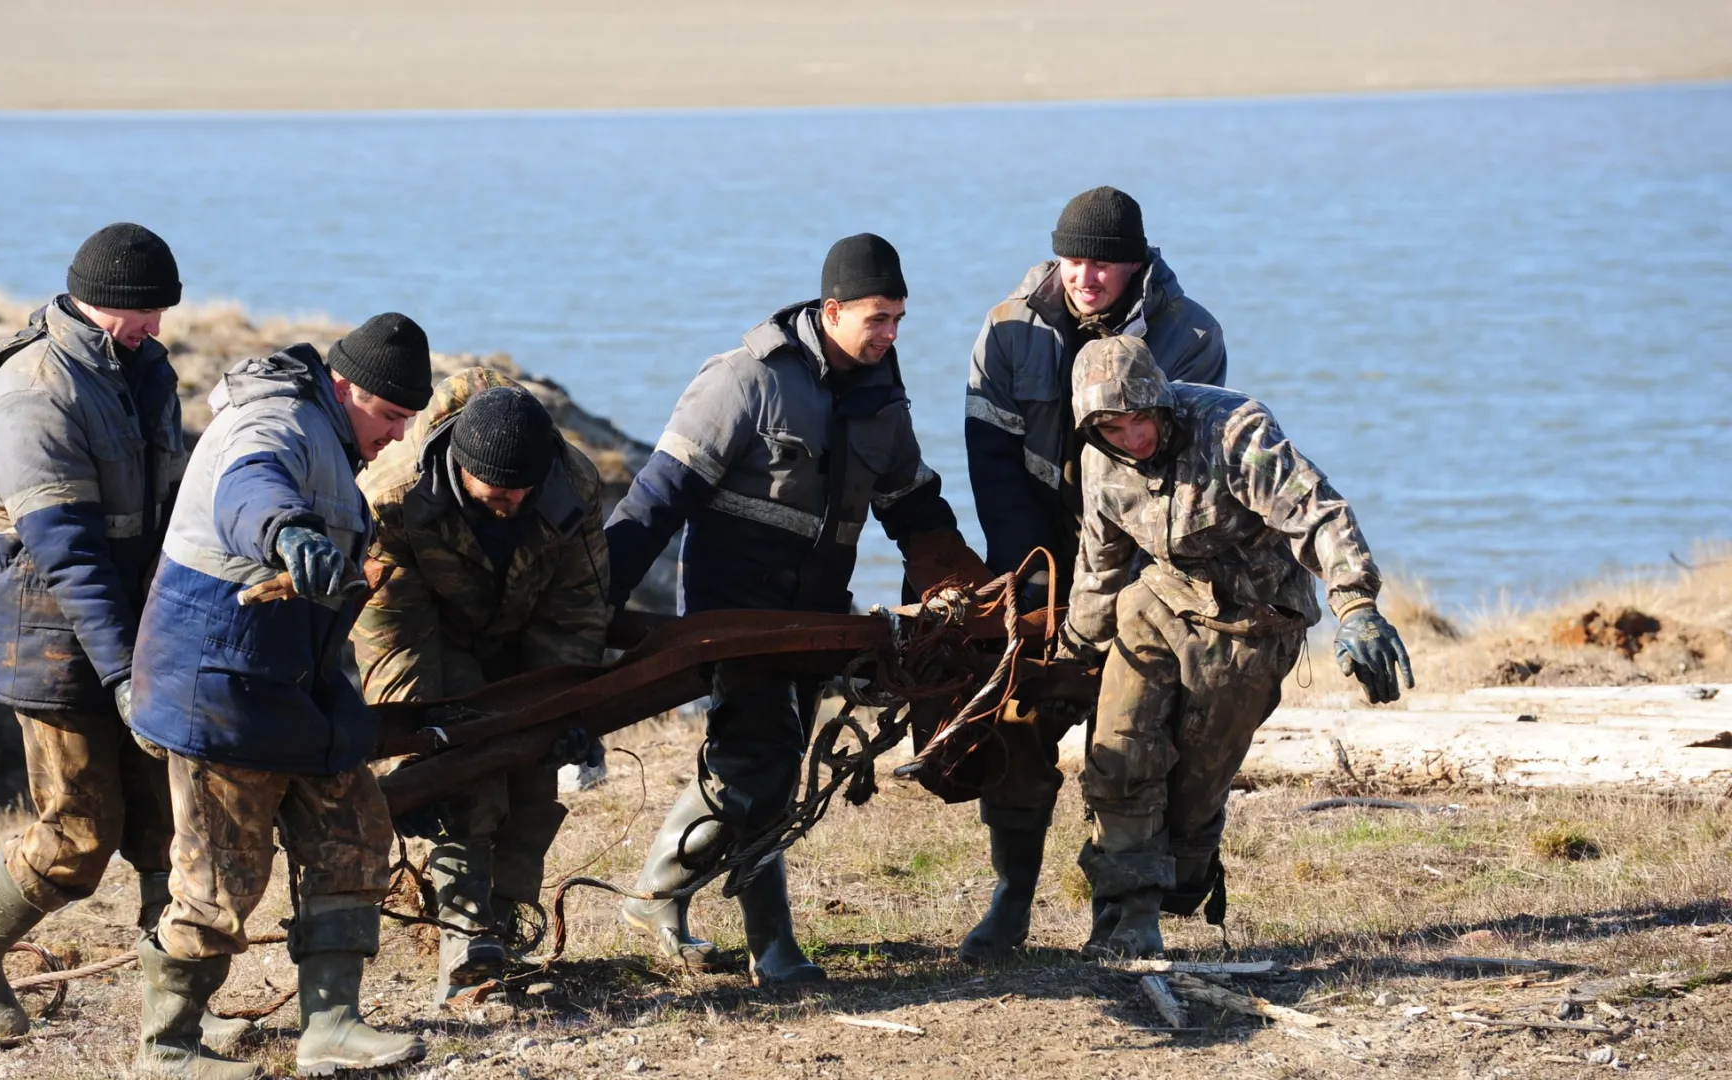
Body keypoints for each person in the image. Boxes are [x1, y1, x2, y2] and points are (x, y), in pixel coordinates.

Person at [603, 233, 988, 988]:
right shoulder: (744, 381)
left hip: (814, 621)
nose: (891, 336)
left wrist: (961, 585)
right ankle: (772, 947)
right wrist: (593, 611)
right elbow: (653, 504)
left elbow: (913, 508)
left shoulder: (883, 402)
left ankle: (655, 896)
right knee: (766, 766)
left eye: (899, 321)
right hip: (731, 616)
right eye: (878, 319)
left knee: (750, 767)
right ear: (833, 309)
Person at [0, 224, 253, 1047]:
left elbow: (169, 505)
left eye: (158, 313)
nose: (151, 328)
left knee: (165, 830)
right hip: (49, 639)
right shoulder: (35, 389)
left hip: (135, 629)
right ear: (87, 299)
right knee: (76, 836)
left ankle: (173, 1019)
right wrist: (121, 675)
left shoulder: (142, 368)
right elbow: (67, 555)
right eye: (135, 313)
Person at [126, 314, 435, 1078]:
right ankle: (166, 1049)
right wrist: (286, 532)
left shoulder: (327, 435)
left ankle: (331, 1026)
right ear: (342, 387)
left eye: (406, 420)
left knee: (354, 835)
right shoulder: (275, 423)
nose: (396, 437)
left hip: (293, 685)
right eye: (390, 416)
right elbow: (249, 486)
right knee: (218, 885)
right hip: (221, 689)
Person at [1058, 335, 1412, 957]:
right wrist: (1071, 656)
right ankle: (1126, 913)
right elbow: (1101, 567)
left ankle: (1176, 886)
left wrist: (1356, 606)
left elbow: (1318, 513)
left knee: (1194, 782)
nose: (1132, 437)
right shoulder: (1101, 461)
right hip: (1160, 602)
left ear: (1162, 406)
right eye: (1114, 426)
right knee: (1120, 751)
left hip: (1255, 623)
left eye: (1142, 419)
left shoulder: (1233, 431)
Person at [956, 187, 1230, 962]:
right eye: (1074, 260)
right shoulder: (1009, 328)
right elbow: (992, 463)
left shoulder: (1191, 334)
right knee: (1018, 719)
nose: (1087, 277)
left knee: (1138, 735)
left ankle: (1132, 905)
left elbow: (1181, 469)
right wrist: (1032, 576)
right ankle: (1011, 896)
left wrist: (1129, 590)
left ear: (1136, 263)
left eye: (1105, 263)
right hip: (1039, 549)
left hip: (1147, 560)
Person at [351, 369, 612, 1001]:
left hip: (521, 635)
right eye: (498, 491)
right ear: (458, 467)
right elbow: (392, 636)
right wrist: (420, 742)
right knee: (464, 767)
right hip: (432, 639)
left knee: (532, 762)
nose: (514, 502)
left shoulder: (570, 482)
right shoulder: (391, 499)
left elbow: (576, 606)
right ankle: (465, 936)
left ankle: (504, 920)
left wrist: (566, 704)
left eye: (525, 490)